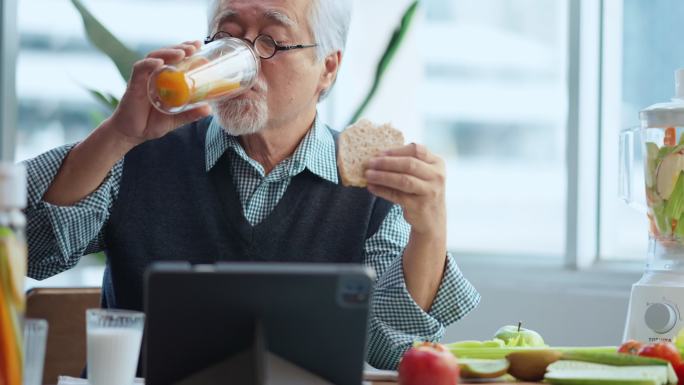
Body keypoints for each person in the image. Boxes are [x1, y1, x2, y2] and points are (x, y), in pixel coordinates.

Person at [23, 0, 480, 369]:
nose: (240, 56)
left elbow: (392, 343)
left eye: (271, 41)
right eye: (227, 35)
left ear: (328, 69)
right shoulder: (138, 150)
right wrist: (117, 135)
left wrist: (430, 230)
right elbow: (28, 245)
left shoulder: (369, 183)